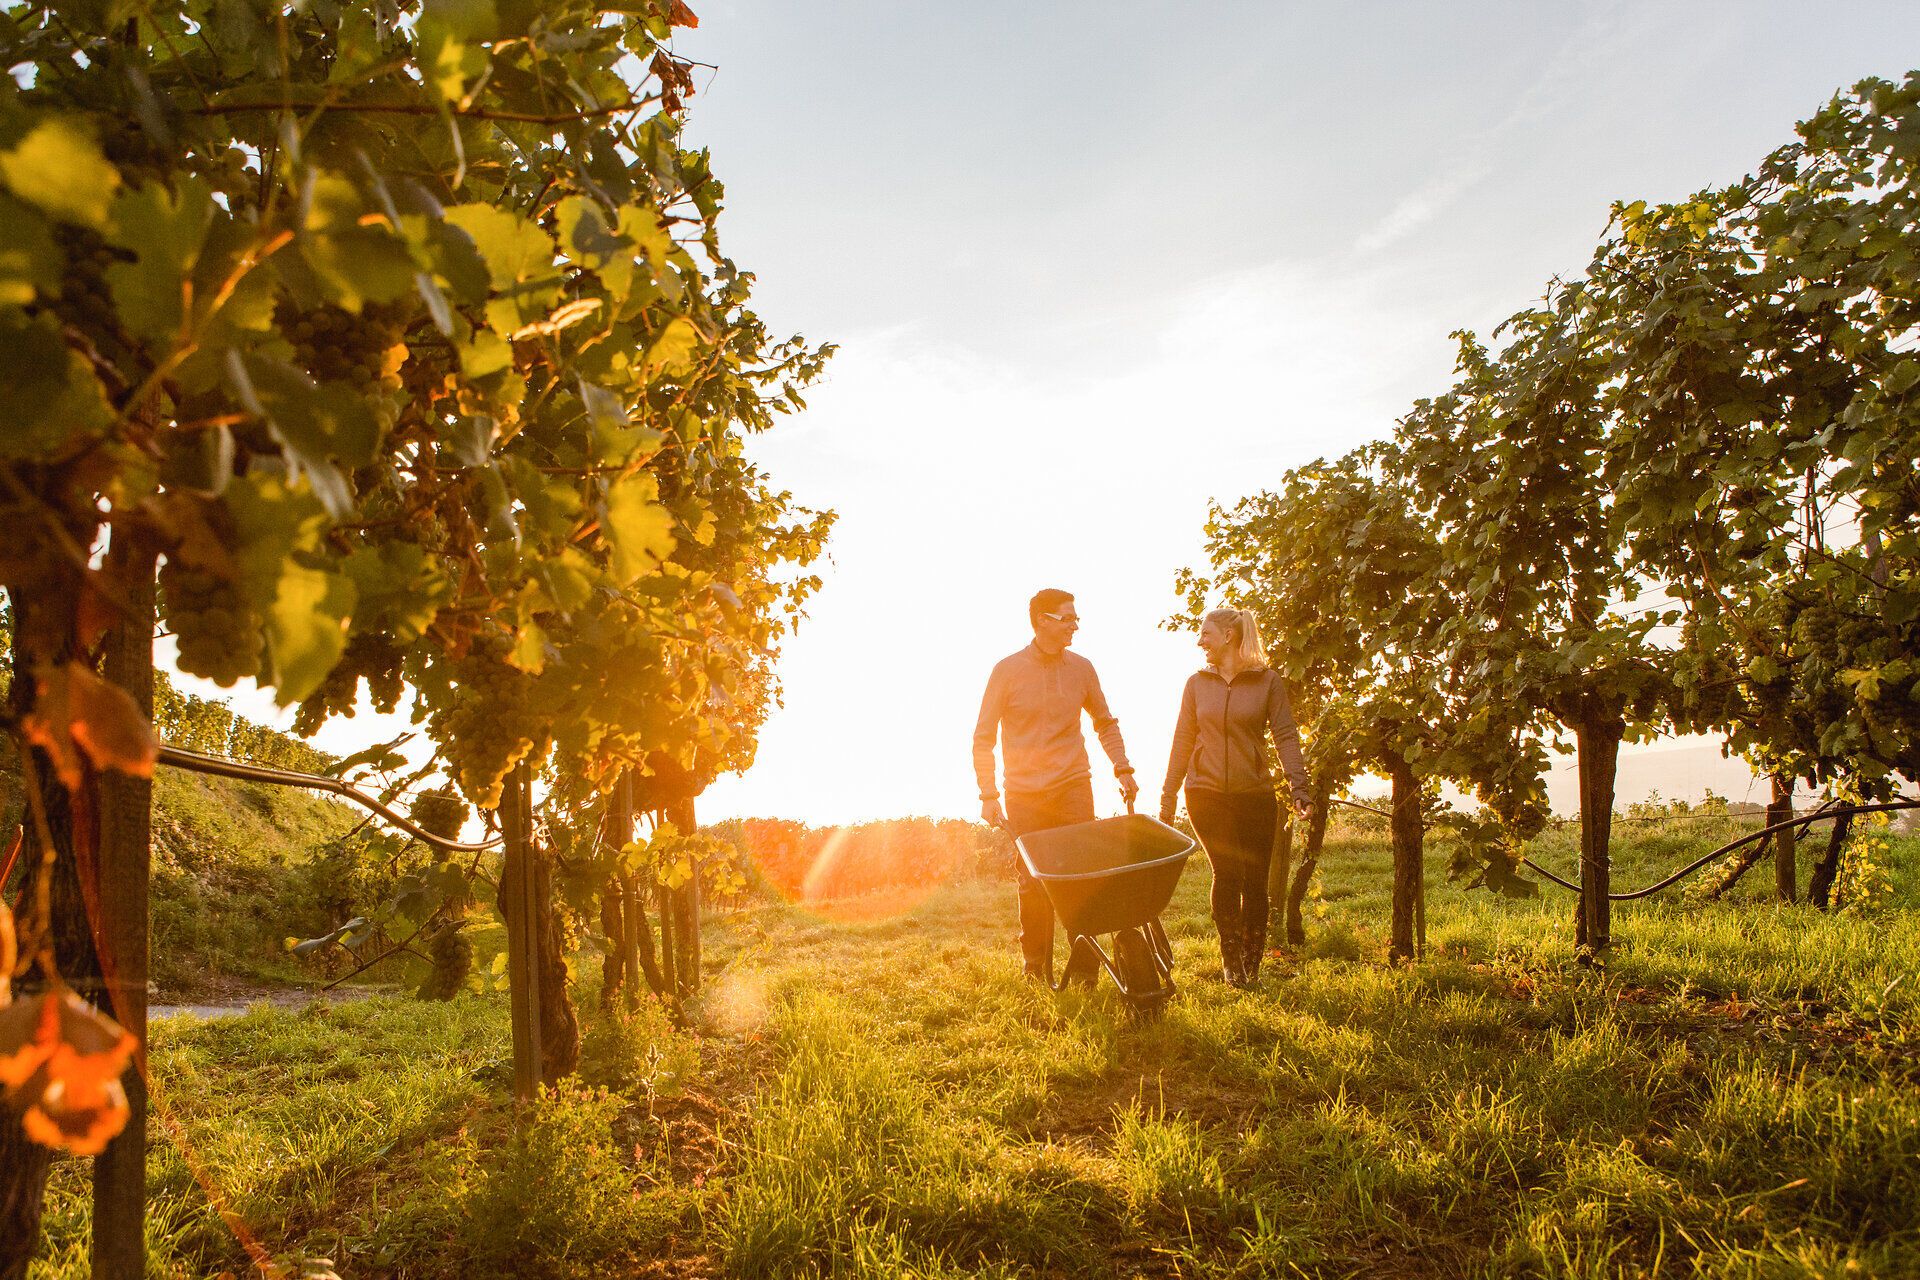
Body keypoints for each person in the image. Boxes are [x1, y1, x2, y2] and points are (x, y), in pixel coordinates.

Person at [974, 589, 1139, 982]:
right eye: (1068, 618)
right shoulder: (1007, 671)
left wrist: (1122, 767)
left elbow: (1104, 721)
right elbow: (983, 736)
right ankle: (1035, 968)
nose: (1075, 625)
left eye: (1075, 618)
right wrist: (988, 793)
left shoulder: (1081, 668)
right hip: (1024, 793)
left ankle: (1085, 970)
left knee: (1083, 878)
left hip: (1072, 786)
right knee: (1032, 881)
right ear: (1042, 620)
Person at [1159, 607, 1310, 988]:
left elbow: (1286, 736)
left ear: (1228, 635)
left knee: (1256, 882)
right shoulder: (1196, 683)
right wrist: (1168, 794)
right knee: (1228, 872)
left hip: (1255, 793)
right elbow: (1182, 739)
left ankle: (1251, 962)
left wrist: (1298, 787)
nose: (1200, 641)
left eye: (1205, 633)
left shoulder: (1267, 682)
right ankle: (1231, 961)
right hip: (1205, 792)